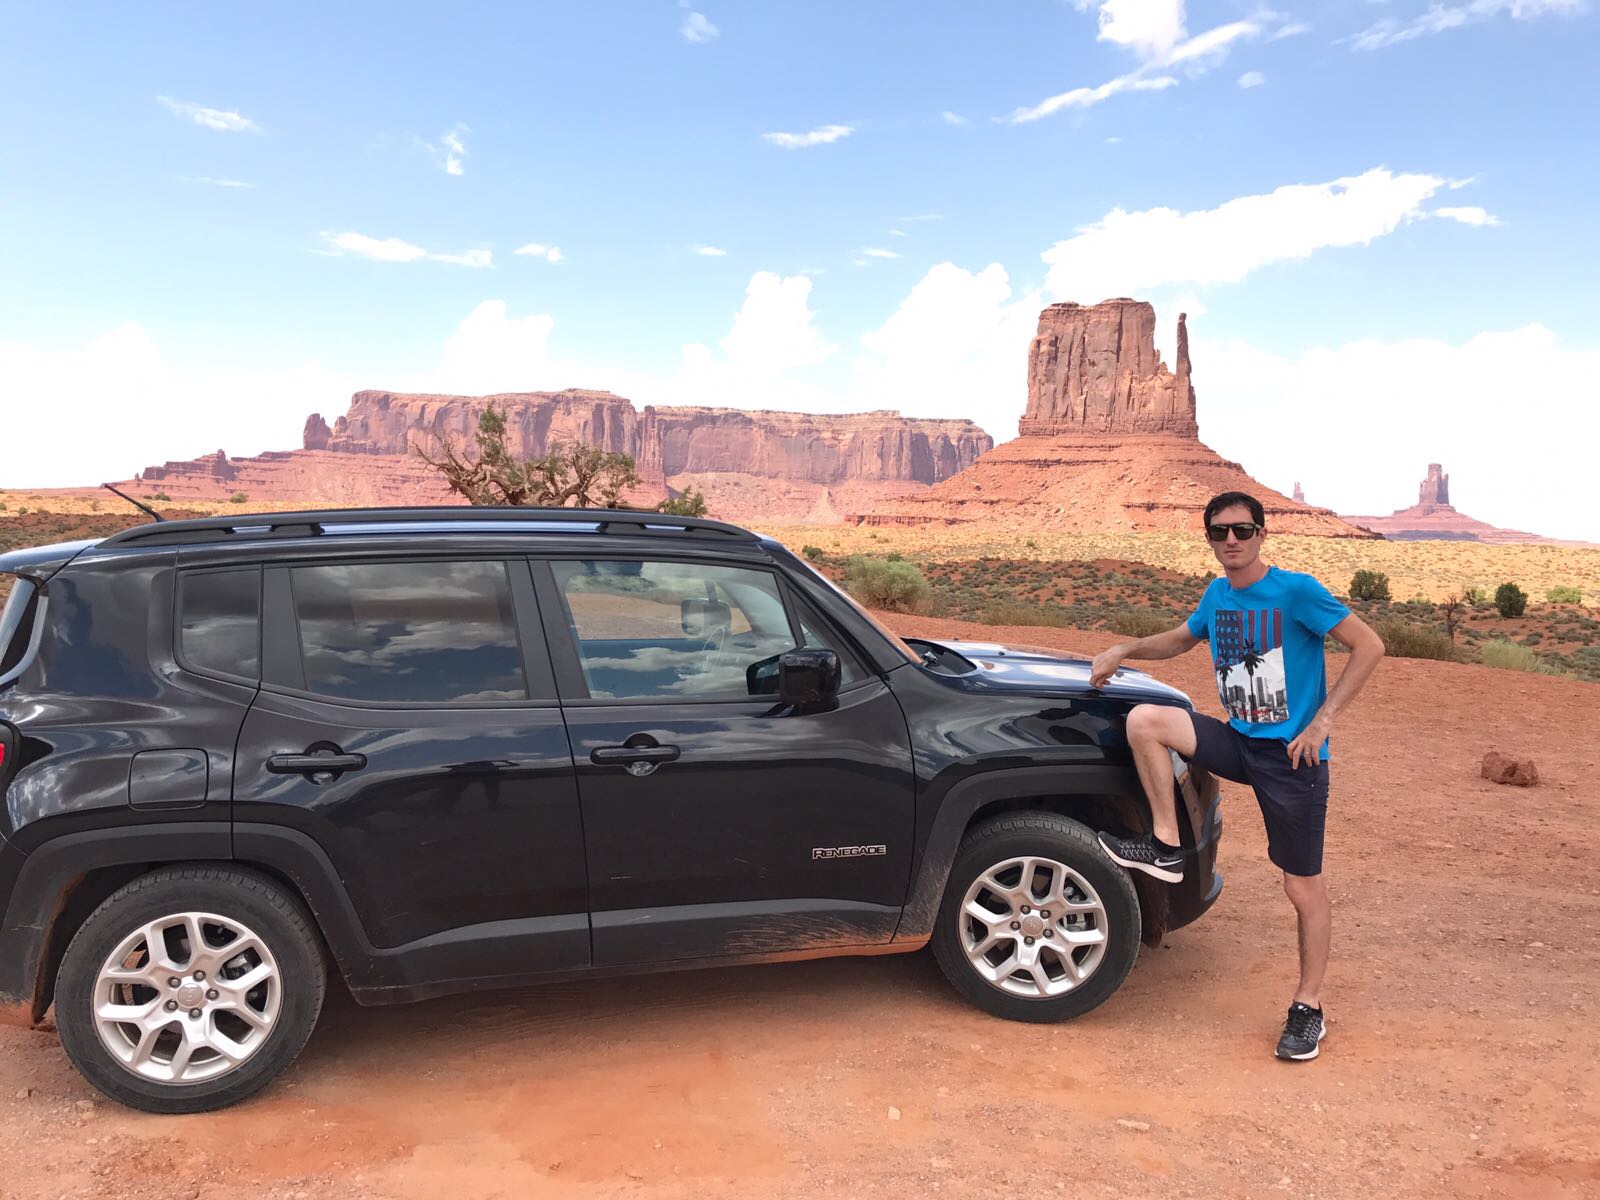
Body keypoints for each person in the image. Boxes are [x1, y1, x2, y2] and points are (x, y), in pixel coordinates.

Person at [1091, 491, 1385, 1061]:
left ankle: (1308, 1007)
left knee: (1301, 887)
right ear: (1209, 539)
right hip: (1239, 741)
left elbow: (1369, 645)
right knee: (1146, 721)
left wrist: (1322, 722)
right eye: (1219, 532)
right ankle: (1166, 845)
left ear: (1261, 534)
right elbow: (1182, 638)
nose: (1231, 540)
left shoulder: (1296, 591)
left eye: (1242, 530)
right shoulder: (1217, 594)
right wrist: (1125, 648)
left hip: (1292, 758)